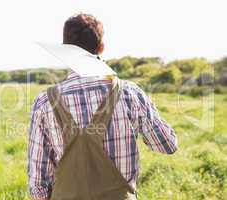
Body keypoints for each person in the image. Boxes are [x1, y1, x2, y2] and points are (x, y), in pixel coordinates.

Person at [28, 13, 178, 200]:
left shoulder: (44, 102)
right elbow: (167, 145)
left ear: (65, 51)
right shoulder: (130, 93)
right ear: (101, 47)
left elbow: (38, 186)